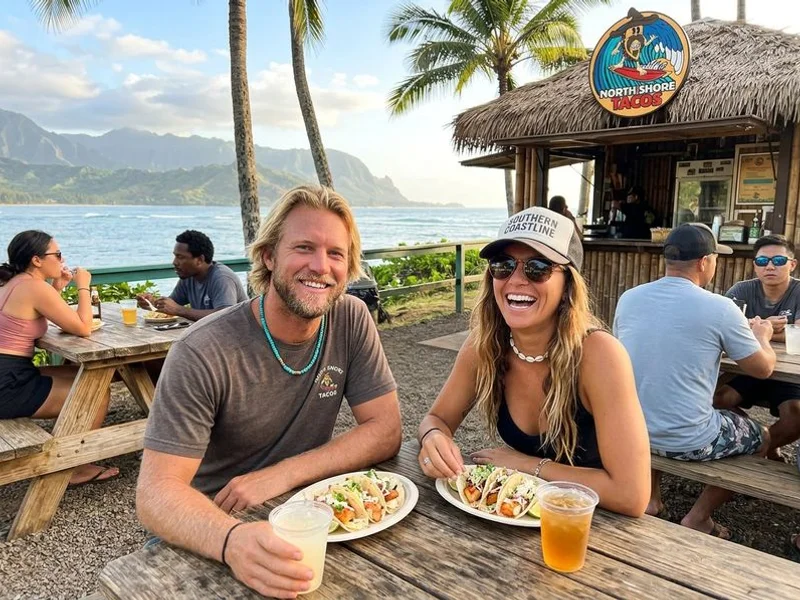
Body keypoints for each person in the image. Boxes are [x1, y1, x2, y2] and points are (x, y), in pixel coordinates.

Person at [136, 186, 402, 598]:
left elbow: (385, 429)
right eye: (304, 247)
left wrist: (278, 475)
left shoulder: (350, 318)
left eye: (336, 253)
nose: (320, 266)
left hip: (308, 513)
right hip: (214, 526)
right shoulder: (202, 350)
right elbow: (155, 494)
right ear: (268, 255)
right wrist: (231, 541)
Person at [417, 206, 650, 517]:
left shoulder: (599, 355)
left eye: (537, 267)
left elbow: (631, 494)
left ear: (568, 285)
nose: (516, 280)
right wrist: (433, 438)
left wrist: (526, 465)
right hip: (517, 514)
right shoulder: (483, 346)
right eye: (503, 265)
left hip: (590, 525)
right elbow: (436, 419)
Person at [614, 223, 775, 539]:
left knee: (659, 399)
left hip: (632, 432)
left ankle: (650, 499)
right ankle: (699, 517)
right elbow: (762, 369)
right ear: (705, 261)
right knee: (764, 436)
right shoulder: (720, 307)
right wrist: (763, 336)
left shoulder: (629, 298)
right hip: (691, 441)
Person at [0, 231, 118, 484]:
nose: (62, 259)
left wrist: (57, 289)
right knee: (97, 392)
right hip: (8, 385)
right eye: (58, 254)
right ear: (37, 260)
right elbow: (84, 327)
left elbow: (43, 313)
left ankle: (67, 443)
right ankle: (77, 466)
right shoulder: (33, 287)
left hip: (9, 372)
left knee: (79, 377)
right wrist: (83, 284)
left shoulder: (15, 283)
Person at [716, 234, 800, 461]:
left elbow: (799, 335)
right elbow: (725, 329)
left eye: (779, 261)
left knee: (796, 415)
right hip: (751, 364)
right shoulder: (741, 290)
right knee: (717, 401)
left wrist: (756, 326)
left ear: (792, 264)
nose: (770, 266)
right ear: (755, 266)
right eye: (763, 262)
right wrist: (778, 327)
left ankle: (765, 446)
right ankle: (760, 440)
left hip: (790, 373)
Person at [137, 230, 247, 321]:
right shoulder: (189, 277)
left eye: (180, 257)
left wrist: (180, 310)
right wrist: (151, 303)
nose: (174, 262)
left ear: (199, 260)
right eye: (175, 256)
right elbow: (172, 305)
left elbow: (225, 316)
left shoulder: (222, 278)